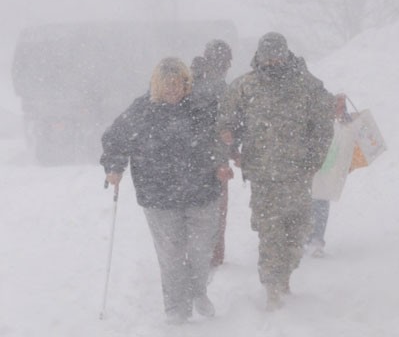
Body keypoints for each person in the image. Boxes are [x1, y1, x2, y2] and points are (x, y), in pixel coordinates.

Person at [100, 57, 233, 324]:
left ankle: (198, 293)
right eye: (165, 85)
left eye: (177, 84)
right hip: (159, 195)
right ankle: (175, 307)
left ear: (187, 83)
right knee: (171, 254)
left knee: (200, 250)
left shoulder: (203, 106)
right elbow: (114, 139)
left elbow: (222, 136)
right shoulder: (141, 111)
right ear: (156, 86)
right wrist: (114, 167)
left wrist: (221, 161)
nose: (172, 90)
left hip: (201, 190)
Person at [216, 32, 336, 311]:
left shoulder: (307, 85)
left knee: (297, 232)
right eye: (267, 55)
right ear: (259, 56)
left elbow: (322, 126)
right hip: (263, 174)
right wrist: (229, 141)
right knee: (270, 232)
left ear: (286, 54)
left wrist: (313, 161)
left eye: (277, 54)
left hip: (298, 174)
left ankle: (285, 274)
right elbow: (225, 120)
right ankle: (272, 285)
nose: (272, 60)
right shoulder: (245, 86)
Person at [189, 40, 237, 268]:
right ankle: (214, 255)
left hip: (188, 157)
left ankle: (196, 252)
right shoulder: (219, 86)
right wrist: (230, 150)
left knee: (192, 207)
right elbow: (225, 125)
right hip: (215, 157)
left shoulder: (189, 80)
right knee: (217, 207)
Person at [308, 93, 352, 258]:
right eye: (337, 106)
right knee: (311, 202)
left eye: (342, 107)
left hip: (328, 170)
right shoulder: (320, 122)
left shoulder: (346, 125)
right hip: (315, 167)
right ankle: (307, 239)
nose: (340, 110)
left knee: (321, 203)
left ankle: (316, 240)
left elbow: (347, 146)